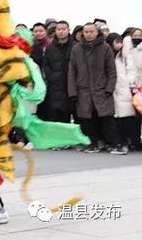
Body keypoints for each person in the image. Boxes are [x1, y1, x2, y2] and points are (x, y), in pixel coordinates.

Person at [68, 23, 117, 153]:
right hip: (83, 90)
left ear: (97, 32)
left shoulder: (105, 48)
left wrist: (109, 88)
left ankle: (111, 143)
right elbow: (72, 71)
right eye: (86, 31)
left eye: (91, 31)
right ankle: (93, 143)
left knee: (106, 118)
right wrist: (72, 91)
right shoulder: (76, 48)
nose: (89, 34)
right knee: (87, 119)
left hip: (102, 89)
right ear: (83, 33)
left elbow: (111, 71)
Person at [106, 33, 137, 154]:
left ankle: (126, 143)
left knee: (126, 118)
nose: (119, 43)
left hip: (124, 89)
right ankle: (118, 143)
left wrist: (128, 83)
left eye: (120, 40)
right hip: (112, 90)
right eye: (116, 41)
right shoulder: (107, 54)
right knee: (115, 119)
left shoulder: (124, 54)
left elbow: (131, 69)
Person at [41, 21, 75, 123]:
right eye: (58, 29)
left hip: (71, 86)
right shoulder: (50, 48)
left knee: (72, 115)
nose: (61, 32)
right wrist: (51, 77)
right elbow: (46, 65)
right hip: (55, 87)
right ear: (55, 31)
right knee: (57, 116)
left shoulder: (75, 46)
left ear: (68, 30)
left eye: (63, 29)